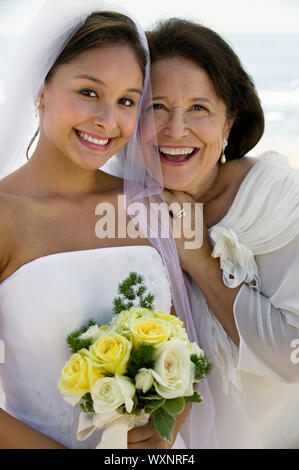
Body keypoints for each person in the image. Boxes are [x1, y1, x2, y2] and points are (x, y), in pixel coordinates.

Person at [0, 2, 196, 449]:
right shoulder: (4, 216)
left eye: (127, 101)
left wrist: (172, 419)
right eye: (89, 92)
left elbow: (185, 348)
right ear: (41, 89)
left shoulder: (148, 205)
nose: (108, 121)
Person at [145, 18, 299, 448]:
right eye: (156, 107)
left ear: (229, 123)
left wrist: (199, 258)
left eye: (199, 108)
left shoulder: (273, 198)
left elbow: (294, 358)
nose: (176, 130)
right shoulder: (117, 203)